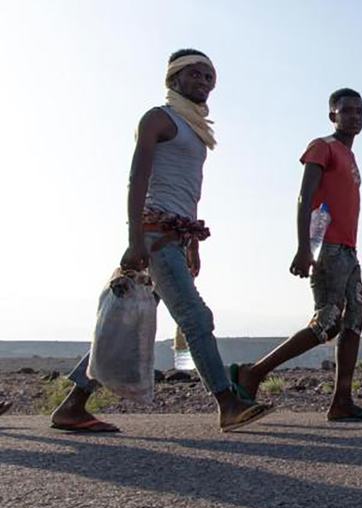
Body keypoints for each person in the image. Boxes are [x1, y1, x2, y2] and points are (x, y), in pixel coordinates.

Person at [51, 49, 273, 433]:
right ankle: (227, 402)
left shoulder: (196, 129)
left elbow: (188, 192)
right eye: (194, 74)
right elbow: (137, 179)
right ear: (174, 79)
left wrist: (192, 243)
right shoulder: (159, 118)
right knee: (195, 317)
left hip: (176, 235)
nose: (203, 81)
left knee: (125, 325)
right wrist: (135, 240)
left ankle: (73, 405)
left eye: (209, 76)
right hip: (155, 236)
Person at [230, 89, 362, 422]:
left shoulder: (350, 157)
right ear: (332, 115)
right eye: (347, 110)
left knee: (354, 323)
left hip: (348, 250)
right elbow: (304, 196)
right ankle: (254, 372)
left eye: (359, 111)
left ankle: (342, 401)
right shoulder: (322, 147)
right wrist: (303, 247)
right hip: (327, 247)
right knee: (327, 322)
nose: (355, 116)